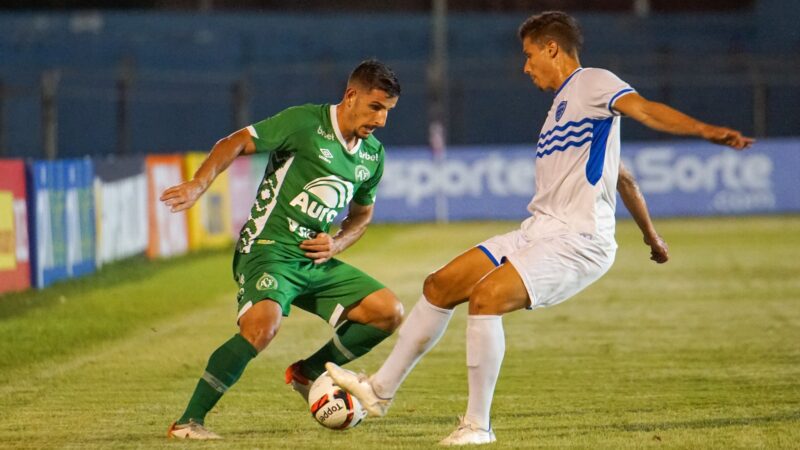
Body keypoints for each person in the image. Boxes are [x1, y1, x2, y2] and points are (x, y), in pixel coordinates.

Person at [326, 11, 753, 446]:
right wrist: (651, 236)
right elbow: (622, 176)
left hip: (578, 240)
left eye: (530, 55)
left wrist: (704, 130)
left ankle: (478, 426)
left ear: (552, 48)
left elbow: (644, 109)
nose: (525, 66)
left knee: (486, 298)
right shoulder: (564, 109)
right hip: (539, 230)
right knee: (440, 284)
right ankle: (379, 392)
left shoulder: (593, 82)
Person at [161, 59, 404, 440]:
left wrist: (336, 242)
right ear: (351, 96)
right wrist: (198, 183)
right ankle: (188, 422)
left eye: (388, 111)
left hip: (313, 258)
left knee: (388, 312)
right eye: (375, 107)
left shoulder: (372, 156)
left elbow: (361, 216)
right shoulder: (305, 123)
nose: (381, 120)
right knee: (262, 327)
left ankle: (306, 373)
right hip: (268, 248)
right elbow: (236, 141)